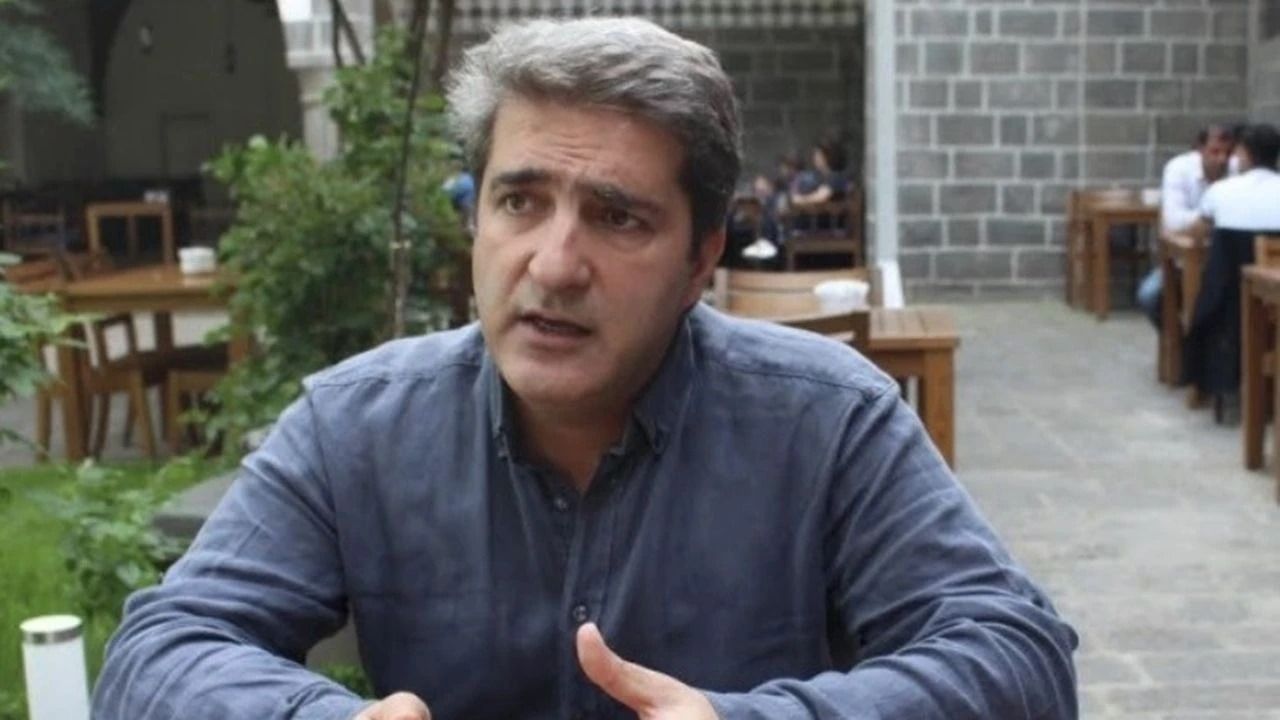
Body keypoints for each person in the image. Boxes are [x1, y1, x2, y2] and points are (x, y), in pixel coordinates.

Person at [92, 17, 1077, 720]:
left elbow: (1018, 657)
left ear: (700, 259)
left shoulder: (826, 422)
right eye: (520, 202)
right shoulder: (357, 427)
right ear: (475, 218)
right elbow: (157, 654)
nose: (554, 265)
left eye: (617, 217)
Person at [1182, 123, 1280, 415]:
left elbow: (1197, 232)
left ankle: (1210, 384)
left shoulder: (1221, 191)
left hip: (1226, 298)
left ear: (1245, 154)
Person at [1135, 125, 1236, 327]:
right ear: (1200, 150)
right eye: (1215, 152)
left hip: (1228, 260)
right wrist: (1210, 218)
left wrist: (1201, 223)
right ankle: (1177, 340)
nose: (1222, 159)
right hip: (1183, 261)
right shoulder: (1179, 169)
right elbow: (1172, 221)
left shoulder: (1236, 169)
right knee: (1149, 296)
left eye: (1227, 153)